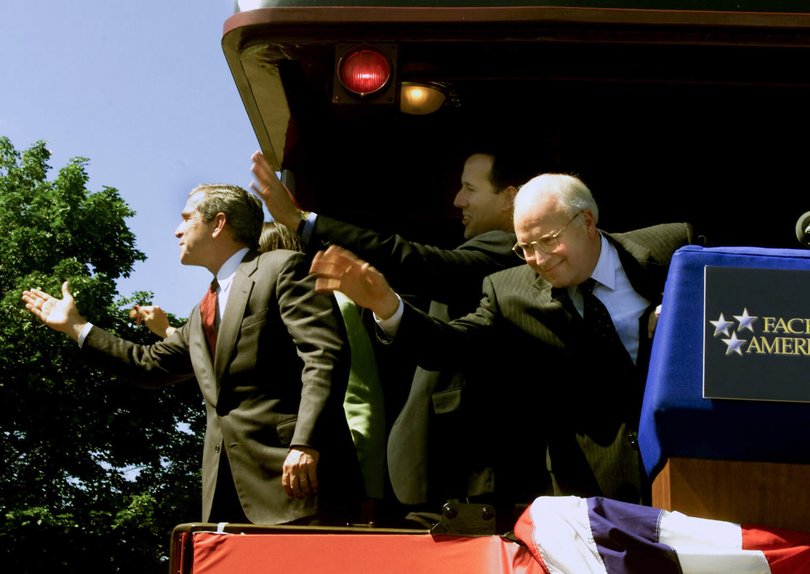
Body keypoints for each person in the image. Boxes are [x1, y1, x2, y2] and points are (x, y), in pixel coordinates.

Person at [307, 173, 700, 519]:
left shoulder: (672, 249)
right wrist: (386, 306)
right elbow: (449, 345)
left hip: (690, 472)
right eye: (525, 247)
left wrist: (682, 325)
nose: (538, 260)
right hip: (592, 494)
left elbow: (735, 317)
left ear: (587, 222)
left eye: (547, 241)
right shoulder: (511, 293)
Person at [22, 184, 364, 526]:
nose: (177, 229)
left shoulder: (283, 268)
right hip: (227, 502)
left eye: (187, 218)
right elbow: (149, 364)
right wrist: (76, 327)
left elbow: (323, 356)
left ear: (218, 224)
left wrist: (306, 443)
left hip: (298, 486)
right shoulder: (203, 311)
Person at [251, 148, 541, 522]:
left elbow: (416, 262)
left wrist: (302, 221)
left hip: (471, 473)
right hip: (437, 471)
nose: (458, 200)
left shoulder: (509, 251)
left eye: (470, 188)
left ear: (509, 197)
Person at [129, 219, 386, 522]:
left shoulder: (327, 300)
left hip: (330, 454)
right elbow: (233, 357)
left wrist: (364, 474)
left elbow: (354, 387)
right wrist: (170, 331)